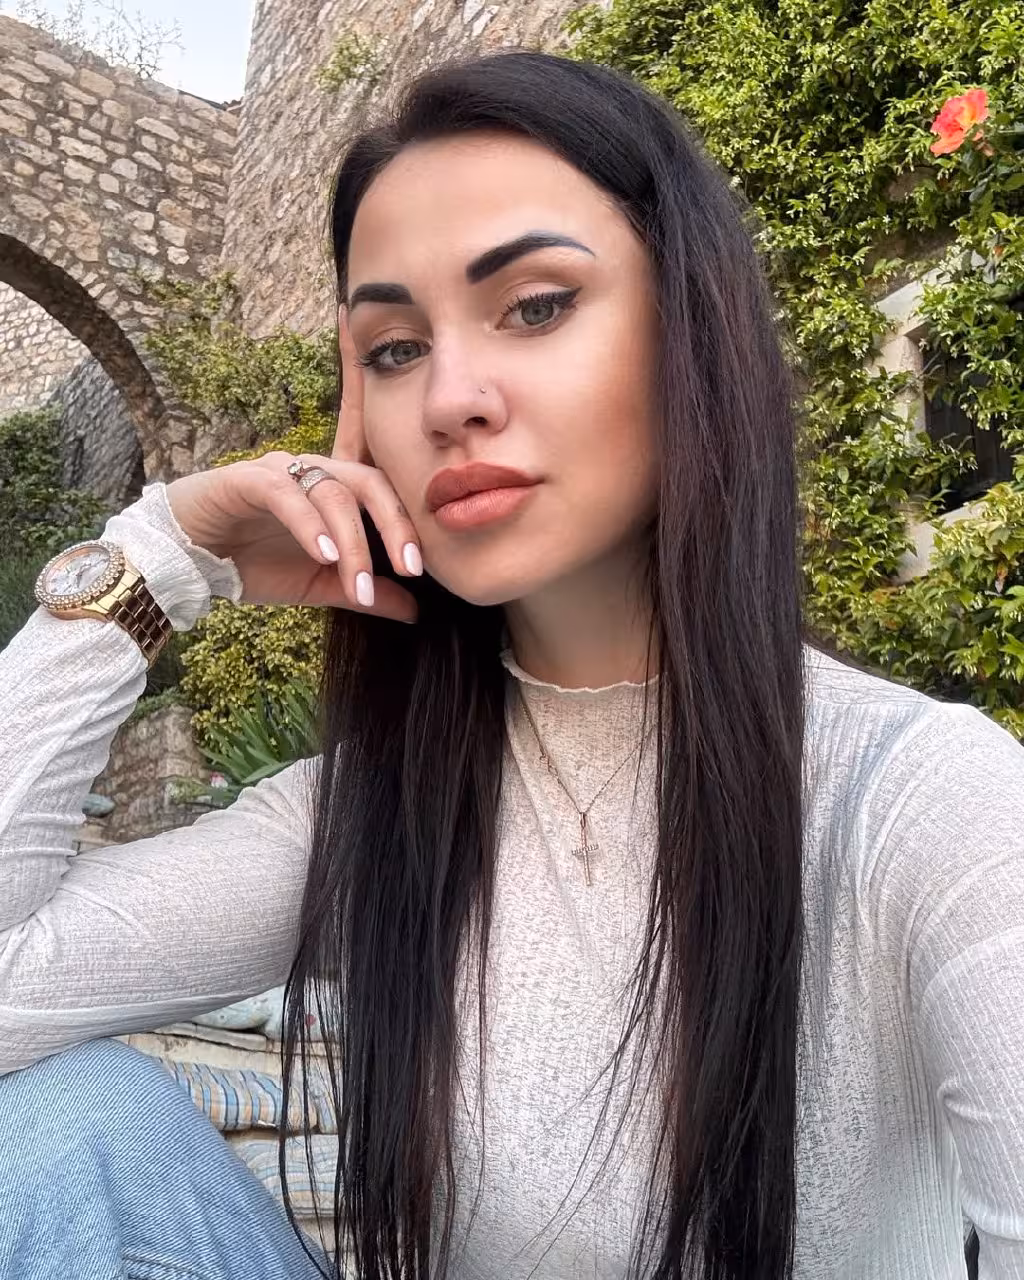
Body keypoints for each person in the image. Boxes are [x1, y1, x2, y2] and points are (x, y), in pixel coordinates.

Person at [0, 48, 1021, 1280]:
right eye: (392, 348)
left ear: (688, 330)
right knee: (72, 1126)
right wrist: (160, 556)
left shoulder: (918, 799)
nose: (450, 398)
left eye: (535, 306)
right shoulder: (375, 808)